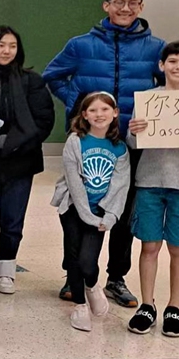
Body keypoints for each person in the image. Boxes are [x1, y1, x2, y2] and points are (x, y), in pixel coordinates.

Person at [43, 0, 165, 308]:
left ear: (141, 7)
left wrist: (152, 119)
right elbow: (53, 75)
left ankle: (116, 278)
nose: (126, 8)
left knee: (123, 212)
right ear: (106, 5)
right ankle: (75, 275)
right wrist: (78, 105)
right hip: (89, 143)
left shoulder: (156, 48)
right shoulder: (80, 45)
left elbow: (166, 90)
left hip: (131, 144)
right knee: (79, 206)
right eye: (119, 2)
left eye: (133, 3)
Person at [0, 26, 54, 295]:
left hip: (21, 161)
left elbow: (44, 120)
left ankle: (7, 269)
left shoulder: (32, 80)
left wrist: (16, 142)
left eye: (12, 46)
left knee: (12, 220)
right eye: (0, 45)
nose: (6, 51)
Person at [126, 40, 179, 338]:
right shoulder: (149, 101)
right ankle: (147, 304)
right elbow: (132, 143)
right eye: (173, 61)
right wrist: (134, 132)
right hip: (150, 181)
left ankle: (174, 307)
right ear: (161, 65)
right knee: (149, 246)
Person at [51, 91, 130, 332]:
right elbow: (74, 184)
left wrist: (110, 216)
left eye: (105, 109)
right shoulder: (75, 141)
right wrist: (87, 216)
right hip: (73, 209)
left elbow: (120, 186)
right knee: (73, 258)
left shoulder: (120, 148)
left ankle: (92, 285)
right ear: (84, 115)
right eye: (93, 110)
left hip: (100, 213)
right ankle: (79, 305)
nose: (99, 114)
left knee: (88, 262)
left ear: (115, 113)